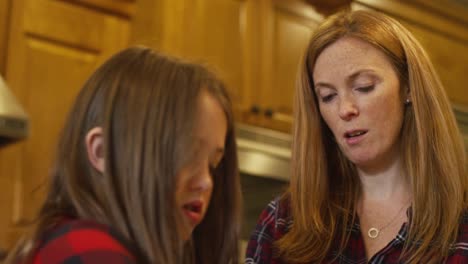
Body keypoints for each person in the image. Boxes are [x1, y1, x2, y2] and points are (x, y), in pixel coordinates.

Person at [246, 9, 467, 263]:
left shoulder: (461, 225)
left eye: (364, 87)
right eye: (328, 96)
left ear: (408, 87)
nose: (344, 109)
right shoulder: (283, 221)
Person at [6, 46, 242, 263]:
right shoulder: (89, 252)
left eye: (213, 164)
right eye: (186, 153)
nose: (206, 181)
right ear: (102, 152)